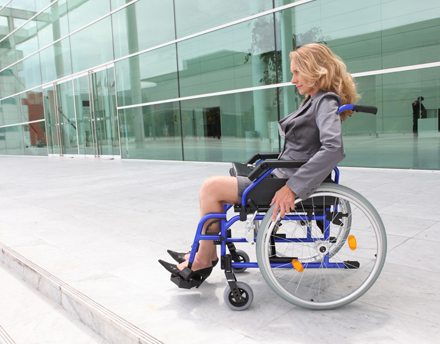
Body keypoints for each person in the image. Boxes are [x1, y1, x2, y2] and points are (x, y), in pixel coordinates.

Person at [159, 43, 360, 285]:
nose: (293, 79)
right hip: (281, 174)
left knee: (211, 188)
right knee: (215, 189)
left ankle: (203, 259)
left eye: (297, 72)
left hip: (287, 181)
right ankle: (206, 253)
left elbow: (333, 149)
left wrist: (293, 187)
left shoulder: (325, 101)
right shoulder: (314, 100)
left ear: (316, 70)